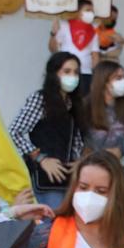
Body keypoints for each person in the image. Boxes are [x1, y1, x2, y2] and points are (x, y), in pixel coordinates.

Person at [11, 51, 85, 200]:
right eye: (67, 71)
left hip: (68, 179)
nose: (72, 76)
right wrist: (41, 158)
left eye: (76, 72)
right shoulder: (40, 99)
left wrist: (78, 162)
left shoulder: (73, 103)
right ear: (54, 74)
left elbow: (76, 140)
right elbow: (13, 133)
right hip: (44, 180)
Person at [82, 61, 124, 153]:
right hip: (93, 162)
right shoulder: (86, 107)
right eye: (118, 78)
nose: (123, 82)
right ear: (104, 81)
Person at [55, 0, 101, 79]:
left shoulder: (94, 29)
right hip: (67, 70)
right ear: (78, 11)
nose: (91, 13)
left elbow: (95, 54)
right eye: (88, 10)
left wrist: (96, 74)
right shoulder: (64, 25)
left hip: (86, 72)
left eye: (92, 11)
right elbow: (55, 48)